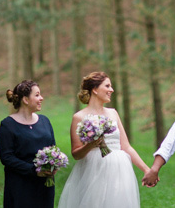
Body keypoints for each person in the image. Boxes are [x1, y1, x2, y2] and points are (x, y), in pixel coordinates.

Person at [58, 72, 150, 208]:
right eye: (107, 86)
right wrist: (90, 145)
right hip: (92, 169)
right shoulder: (79, 117)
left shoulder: (113, 113)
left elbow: (126, 147)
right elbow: (76, 154)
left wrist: (146, 169)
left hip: (119, 169)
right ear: (95, 90)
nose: (111, 90)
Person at [0, 80, 57, 208]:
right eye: (37, 95)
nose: (41, 98)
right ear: (25, 99)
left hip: (45, 184)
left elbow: (53, 149)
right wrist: (34, 170)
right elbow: (7, 157)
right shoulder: (8, 125)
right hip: (20, 185)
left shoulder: (45, 121)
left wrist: (54, 165)